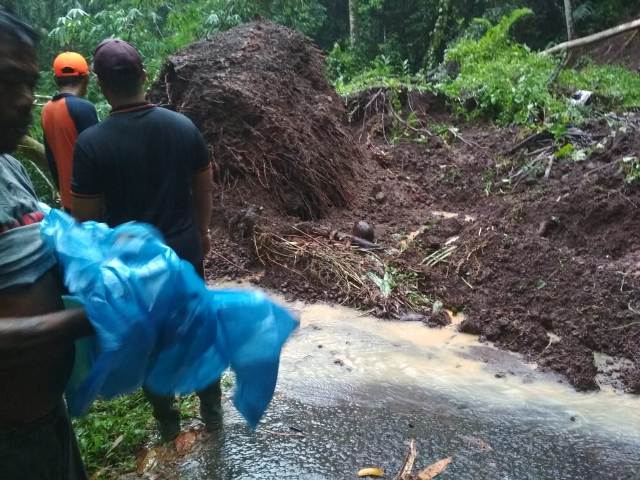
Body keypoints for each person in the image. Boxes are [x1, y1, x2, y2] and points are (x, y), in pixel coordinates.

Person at [71, 38, 220, 442]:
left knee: (150, 339)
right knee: (196, 328)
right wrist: (202, 232)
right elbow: (204, 189)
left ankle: (169, 426)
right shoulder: (182, 127)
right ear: (144, 74)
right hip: (184, 250)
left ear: (101, 84)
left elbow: (85, 222)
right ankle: (213, 415)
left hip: (132, 267)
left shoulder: (91, 145)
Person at [0, 9, 92, 479]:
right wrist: (83, 319)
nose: (23, 100)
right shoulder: (80, 111)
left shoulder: (10, 165)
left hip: (48, 428)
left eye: (27, 82)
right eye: (7, 80)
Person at [41, 52, 98, 212]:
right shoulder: (83, 108)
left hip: (69, 201)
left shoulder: (46, 110)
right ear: (86, 79)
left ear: (55, 80)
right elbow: (96, 156)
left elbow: (51, 159)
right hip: (90, 200)